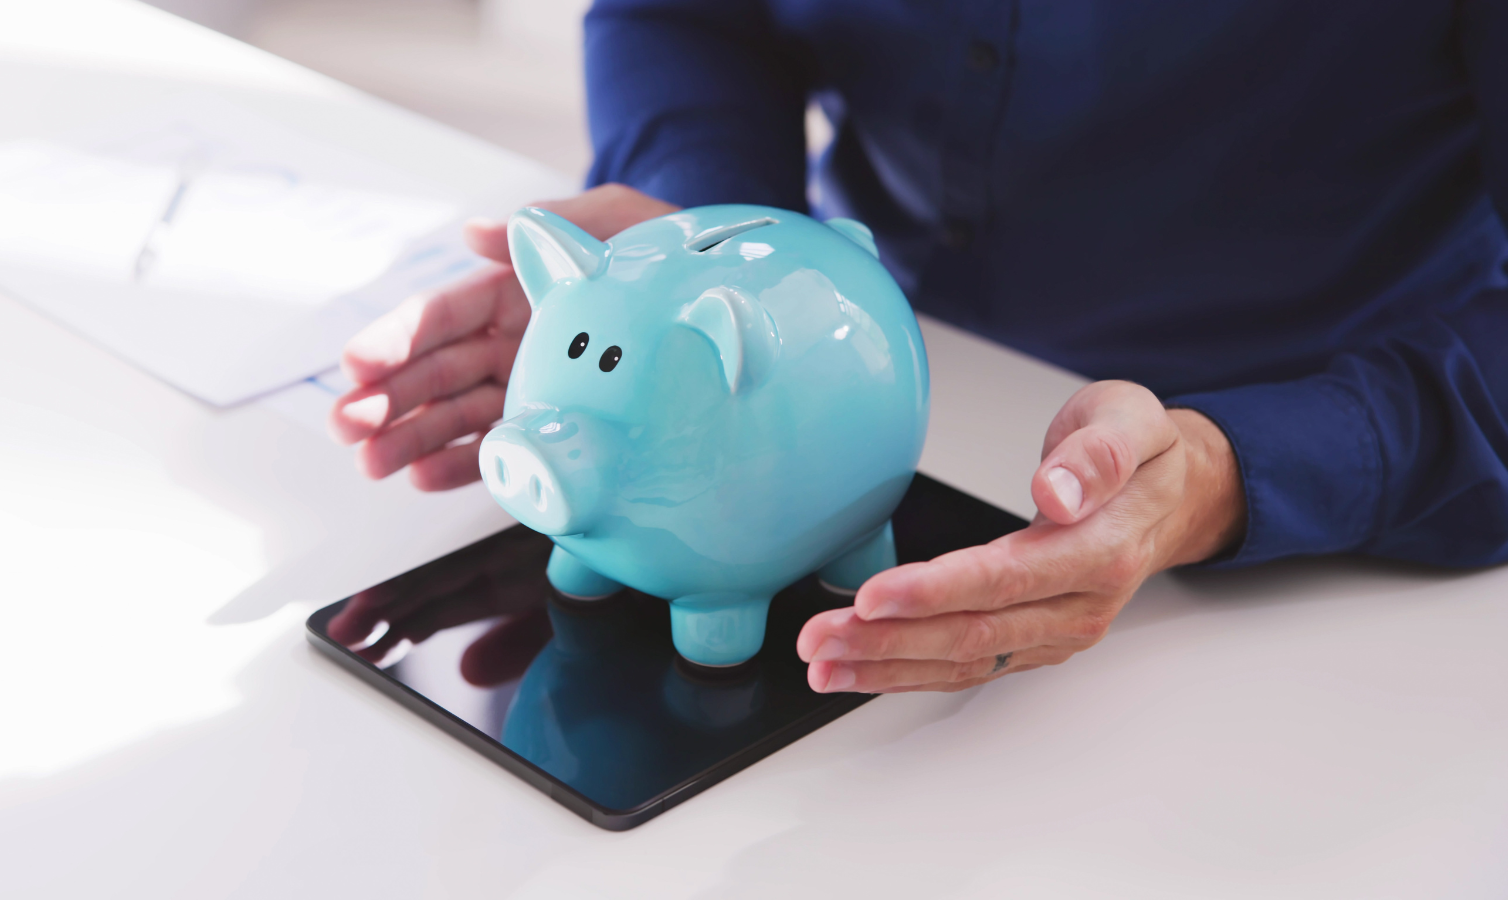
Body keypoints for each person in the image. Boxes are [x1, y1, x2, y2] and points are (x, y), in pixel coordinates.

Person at [328, 1, 1508, 695]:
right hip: (846, 314)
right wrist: (696, 237)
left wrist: (1226, 471)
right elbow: (685, 14)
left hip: (1323, 455)